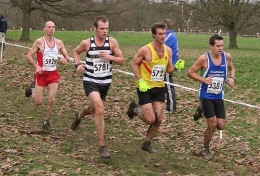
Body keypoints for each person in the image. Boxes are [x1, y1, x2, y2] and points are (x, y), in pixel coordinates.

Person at [70, 16, 125, 158]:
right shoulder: (87, 43)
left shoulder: (112, 43)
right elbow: (76, 52)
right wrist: (78, 64)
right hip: (90, 80)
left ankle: (80, 115)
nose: (104, 31)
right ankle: (102, 146)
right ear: (95, 28)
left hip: (105, 82)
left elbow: (122, 61)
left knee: (93, 109)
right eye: (102, 29)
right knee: (100, 110)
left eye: (106, 28)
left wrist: (110, 57)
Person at [127, 22, 184, 153]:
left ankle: (147, 143)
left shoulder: (168, 51)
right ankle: (135, 108)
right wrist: (140, 80)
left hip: (159, 87)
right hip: (145, 86)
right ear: (154, 34)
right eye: (160, 34)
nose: (163, 36)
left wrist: (176, 67)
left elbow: (168, 69)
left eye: (164, 33)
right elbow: (133, 64)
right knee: (150, 119)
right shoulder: (145, 50)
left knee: (158, 119)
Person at [187, 34, 235, 158]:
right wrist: (203, 79)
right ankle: (205, 148)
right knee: (212, 124)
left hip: (218, 95)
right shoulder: (204, 59)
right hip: (206, 95)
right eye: (217, 46)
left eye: (222, 46)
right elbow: (190, 72)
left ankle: (201, 110)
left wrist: (231, 78)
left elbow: (232, 68)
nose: (220, 48)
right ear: (211, 46)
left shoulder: (227, 57)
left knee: (221, 125)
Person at [26, 21, 70, 131]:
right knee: (38, 102)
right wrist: (36, 66)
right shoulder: (39, 42)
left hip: (53, 75)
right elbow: (29, 55)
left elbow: (67, 56)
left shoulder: (59, 43)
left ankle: (46, 121)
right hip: (41, 74)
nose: (51, 29)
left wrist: (65, 59)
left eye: (53, 27)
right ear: (45, 29)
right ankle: (32, 89)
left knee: (52, 99)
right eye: (49, 27)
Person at [163, 19, 179, 114]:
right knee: (165, 85)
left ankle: (171, 108)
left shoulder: (169, 37)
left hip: (169, 65)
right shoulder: (171, 35)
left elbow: (163, 47)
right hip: (169, 64)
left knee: (168, 86)